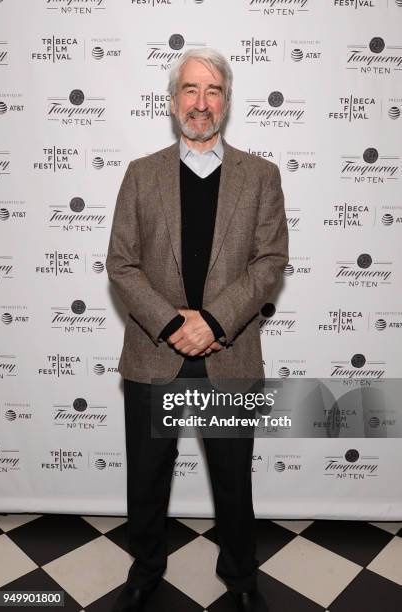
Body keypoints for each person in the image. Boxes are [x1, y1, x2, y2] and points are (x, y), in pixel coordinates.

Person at [106, 48, 288, 612]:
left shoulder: (261, 176)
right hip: (152, 353)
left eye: (212, 91)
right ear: (173, 100)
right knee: (148, 477)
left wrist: (211, 322)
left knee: (234, 481)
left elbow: (269, 262)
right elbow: (121, 263)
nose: (200, 103)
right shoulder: (141, 174)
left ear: (226, 102)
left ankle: (240, 577)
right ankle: (146, 568)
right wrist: (171, 323)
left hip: (228, 355)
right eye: (190, 90)